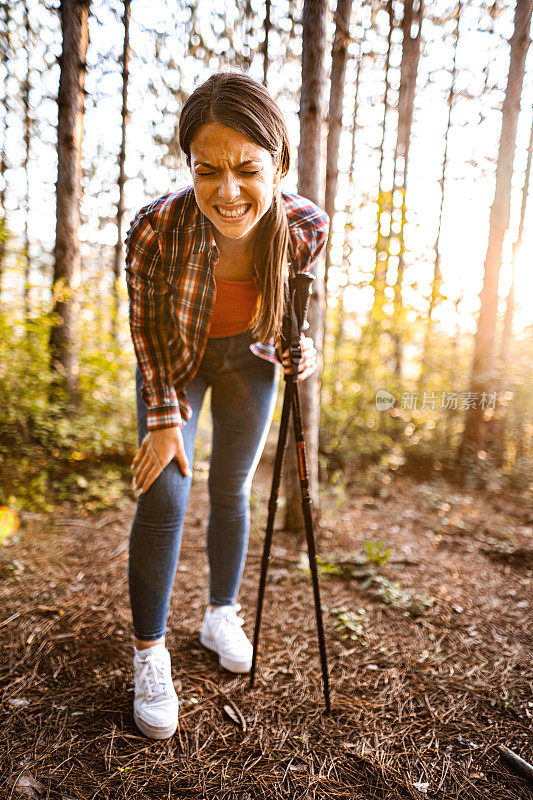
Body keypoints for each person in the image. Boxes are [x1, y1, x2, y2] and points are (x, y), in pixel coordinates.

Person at [124, 70, 329, 740]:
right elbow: (145, 330)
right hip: (175, 363)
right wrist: (160, 419)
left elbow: (297, 311)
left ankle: (219, 613)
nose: (228, 190)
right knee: (164, 493)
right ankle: (149, 654)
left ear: (278, 164)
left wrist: (304, 350)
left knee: (232, 486)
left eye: (247, 168)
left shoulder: (305, 226)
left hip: (250, 361)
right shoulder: (155, 226)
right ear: (188, 166)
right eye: (206, 169)